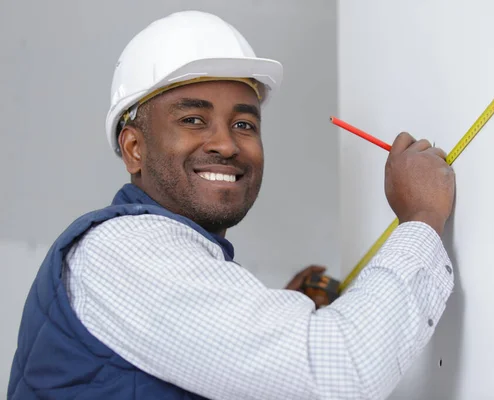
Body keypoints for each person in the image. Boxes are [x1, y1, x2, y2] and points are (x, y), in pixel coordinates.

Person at [8, 10, 456, 400]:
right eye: (193, 119)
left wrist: (267, 324)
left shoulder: (169, 260)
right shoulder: (122, 249)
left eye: (244, 123)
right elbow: (341, 369)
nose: (225, 143)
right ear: (134, 148)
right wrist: (421, 219)